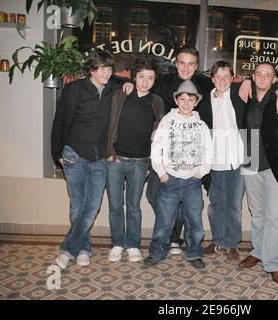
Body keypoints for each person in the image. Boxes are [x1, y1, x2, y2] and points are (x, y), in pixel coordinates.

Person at [128, 46, 213, 255]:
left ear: (197, 65)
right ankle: (171, 235)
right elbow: (143, 85)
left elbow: (228, 88)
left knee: (189, 204)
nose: (186, 67)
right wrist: (127, 84)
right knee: (154, 195)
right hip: (164, 153)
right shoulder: (163, 82)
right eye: (182, 62)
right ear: (176, 63)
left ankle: (176, 239)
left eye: (191, 63)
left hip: (190, 158)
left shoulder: (206, 84)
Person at [51, 49, 130, 269]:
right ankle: (83, 249)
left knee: (92, 207)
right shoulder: (74, 89)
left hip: (100, 157)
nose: (106, 72)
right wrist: (56, 153)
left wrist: (129, 83)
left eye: (109, 68)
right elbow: (59, 121)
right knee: (78, 205)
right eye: (101, 68)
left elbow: (123, 78)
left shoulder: (113, 88)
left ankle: (68, 250)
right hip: (74, 153)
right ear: (91, 69)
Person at [144, 80, 213, 269]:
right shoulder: (167, 120)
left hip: (192, 182)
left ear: (196, 102)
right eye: (182, 99)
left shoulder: (201, 125)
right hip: (170, 180)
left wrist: (202, 172)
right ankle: (157, 251)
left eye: (190, 100)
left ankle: (194, 253)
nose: (186, 103)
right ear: (176, 100)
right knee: (164, 220)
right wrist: (161, 171)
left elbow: (208, 151)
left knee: (194, 222)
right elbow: (156, 146)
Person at [238, 63, 278, 286]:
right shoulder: (247, 96)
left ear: (274, 79)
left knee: (273, 217)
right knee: (257, 213)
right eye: (258, 74)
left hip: (274, 167)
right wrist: (243, 80)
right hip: (250, 164)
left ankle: (273, 263)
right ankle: (258, 251)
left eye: (267, 75)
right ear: (253, 76)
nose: (262, 77)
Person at [105, 57, 165, 263]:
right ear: (134, 76)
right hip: (116, 159)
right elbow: (110, 123)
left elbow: (160, 136)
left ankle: (132, 244)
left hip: (140, 162)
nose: (145, 81)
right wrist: (109, 152)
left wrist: (150, 164)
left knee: (133, 206)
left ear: (155, 80)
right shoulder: (121, 95)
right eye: (141, 77)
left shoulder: (156, 102)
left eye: (150, 78)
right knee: (114, 205)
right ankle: (117, 243)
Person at [197, 61, 246, 261]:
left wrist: (248, 81)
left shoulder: (239, 94)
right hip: (214, 161)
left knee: (234, 204)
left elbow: (269, 84)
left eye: (227, 76)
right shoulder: (205, 101)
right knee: (215, 203)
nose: (223, 80)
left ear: (233, 78)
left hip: (238, 159)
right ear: (213, 79)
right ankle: (218, 240)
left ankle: (232, 243)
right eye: (219, 76)